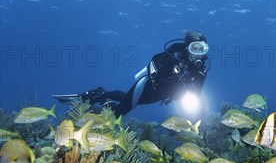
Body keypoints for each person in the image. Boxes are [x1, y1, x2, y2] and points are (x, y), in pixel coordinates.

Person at [54, 31, 209, 115]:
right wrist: (181, 88)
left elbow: (196, 93)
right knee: (118, 113)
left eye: (202, 50)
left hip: (158, 96)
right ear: (188, 47)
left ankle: (102, 94)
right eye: (196, 48)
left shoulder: (201, 69)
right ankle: (95, 96)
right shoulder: (174, 56)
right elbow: (161, 78)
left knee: (123, 99)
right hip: (148, 86)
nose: (199, 54)